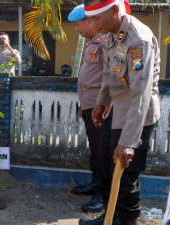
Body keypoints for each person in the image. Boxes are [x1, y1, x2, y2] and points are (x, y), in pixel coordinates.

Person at [82, 0, 160, 224]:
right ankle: (109, 217)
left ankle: (126, 220)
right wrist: (101, 101)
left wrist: (128, 142)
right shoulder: (109, 34)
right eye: (89, 18)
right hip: (116, 110)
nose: (92, 24)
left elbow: (140, 93)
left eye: (96, 18)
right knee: (106, 170)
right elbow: (109, 71)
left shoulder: (138, 40)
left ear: (115, 10)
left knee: (125, 179)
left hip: (137, 116)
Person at [68, 4, 109, 214]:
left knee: (102, 151)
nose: (77, 29)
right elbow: (89, 77)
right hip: (88, 105)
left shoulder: (104, 41)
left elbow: (108, 77)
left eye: (78, 25)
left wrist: (100, 105)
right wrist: (82, 105)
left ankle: (102, 195)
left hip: (99, 107)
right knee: (95, 149)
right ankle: (95, 183)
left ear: (90, 21)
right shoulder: (92, 42)